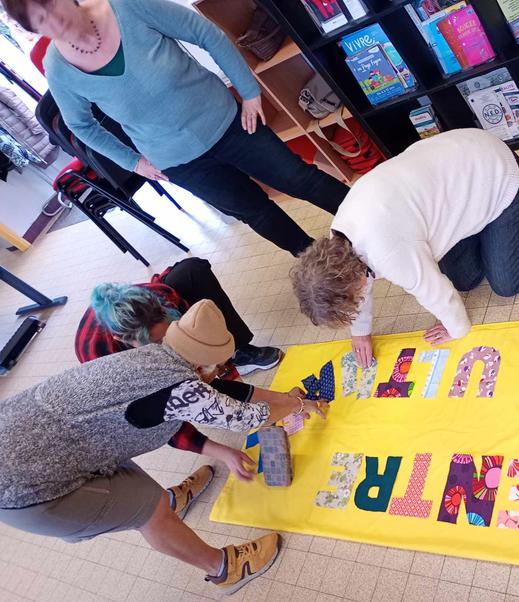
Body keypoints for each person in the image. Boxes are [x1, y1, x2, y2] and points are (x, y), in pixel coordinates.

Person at [0, 300, 328, 595]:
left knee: (136, 488)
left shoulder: (155, 355)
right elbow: (245, 418)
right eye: (219, 363)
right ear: (206, 362)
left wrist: (285, 399)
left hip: (38, 436)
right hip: (28, 489)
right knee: (148, 509)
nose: (221, 369)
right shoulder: (180, 385)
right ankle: (224, 569)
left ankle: (170, 503)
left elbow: (222, 393)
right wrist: (298, 407)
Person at [2, 0, 350, 256]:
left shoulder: (127, 7)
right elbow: (82, 127)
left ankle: (368, 221)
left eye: (50, 4)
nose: (54, 20)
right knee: (256, 212)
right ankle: (324, 265)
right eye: (40, 21)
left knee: (299, 179)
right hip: (178, 161)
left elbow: (206, 33)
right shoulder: (58, 69)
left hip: (228, 122)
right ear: (35, 30)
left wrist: (249, 91)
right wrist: (135, 163)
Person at [291, 128, 519, 367]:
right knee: (467, 280)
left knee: (509, 283)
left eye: (354, 297)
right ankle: (495, 228)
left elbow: (437, 295)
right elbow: (354, 285)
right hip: (456, 176)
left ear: (354, 281)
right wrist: (360, 331)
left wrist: (456, 330)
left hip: (494, 171)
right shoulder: (337, 238)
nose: (359, 297)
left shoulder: (390, 253)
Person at [75, 257, 282, 376]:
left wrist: (220, 364)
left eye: (170, 331)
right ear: (122, 340)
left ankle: (238, 354)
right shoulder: (99, 357)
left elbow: (196, 337)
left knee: (191, 270)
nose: (167, 341)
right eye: (158, 341)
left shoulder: (161, 296)